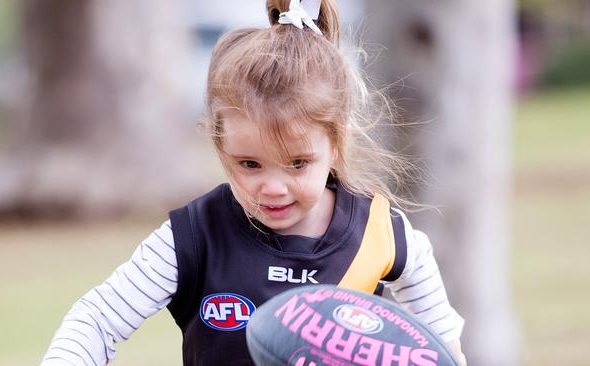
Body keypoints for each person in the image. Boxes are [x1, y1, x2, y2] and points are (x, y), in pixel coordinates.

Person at [41, 0, 466, 365]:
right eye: (250, 164)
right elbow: (97, 318)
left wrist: (445, 349)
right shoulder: (193, 236)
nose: (273, 188)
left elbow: (435, 325)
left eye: (297, 164)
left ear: (336, 144)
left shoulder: (378, 231)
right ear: (220, 144)